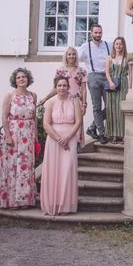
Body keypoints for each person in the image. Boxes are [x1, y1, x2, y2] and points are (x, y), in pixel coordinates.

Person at [0, 68, 38, 210]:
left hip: (28, 134)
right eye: (18, 77)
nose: (21, 79)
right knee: (13, 167)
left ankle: (24, 200)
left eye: (24, 77)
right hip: (14, 134)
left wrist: (36, 136)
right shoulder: (10, 96)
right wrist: (7, 135)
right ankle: (12, 201)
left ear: (28, 79)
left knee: (26, 167)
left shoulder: (33, 95)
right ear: (15, 80)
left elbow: (34, 117)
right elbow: (4, 116)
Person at [40, 75, 82, 216]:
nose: (62, 88)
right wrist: (59, 139)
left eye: (64, 85)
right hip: (54, 141)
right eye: (59, 85)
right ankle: (53, 203)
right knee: (54, 170)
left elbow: (78, 122)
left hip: (69, 140)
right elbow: (46, 124)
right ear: (55, 87)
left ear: (68, 87)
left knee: (67, 171)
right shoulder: (51, 103)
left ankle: (66, 205)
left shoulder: (75, 101)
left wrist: (68, 138)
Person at [39, 46, 88, 148]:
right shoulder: (60, 70)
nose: (71, 56)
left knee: (77, 125)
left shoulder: (81, 70)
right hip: (63, 101)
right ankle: (61, 144)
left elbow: (83, 89)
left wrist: (84, 104)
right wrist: (45, 98)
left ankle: (76, 149)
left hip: (76, 101)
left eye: (73, 54)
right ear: (66, 56)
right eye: (69, 54)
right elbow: (55, 88)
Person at [78, 24, 112, 144]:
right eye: (96, 33)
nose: (98, 35)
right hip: (93, 76)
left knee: (111, 106)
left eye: (100, 33)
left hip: (107, 76)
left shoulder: (109, 45)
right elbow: (75, 59)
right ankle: (101, 134)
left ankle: (92, 127)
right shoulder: (85, 47)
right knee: (96, 107)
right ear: (91, 33)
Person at [104, 37, 130, 144]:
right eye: (116, 44)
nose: (118, 46)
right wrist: (110, 82)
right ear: (114, 45)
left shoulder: (127, 58)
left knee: (122, 109)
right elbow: (106, 72)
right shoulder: (109, 58)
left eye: (120, 44)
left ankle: (123, 135)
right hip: (112, 85)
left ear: (123, 45)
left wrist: (131, 87)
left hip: (123, 84)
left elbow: (130, 73)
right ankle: (114, 135)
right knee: (112, 109)